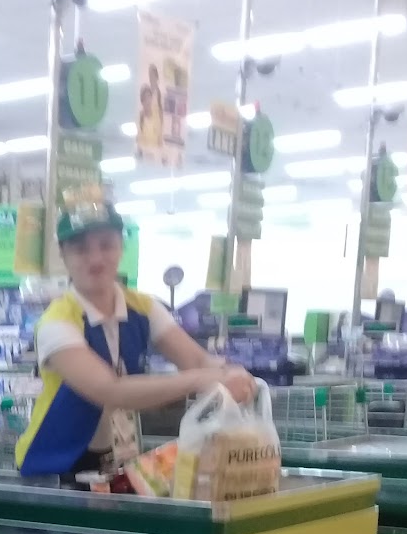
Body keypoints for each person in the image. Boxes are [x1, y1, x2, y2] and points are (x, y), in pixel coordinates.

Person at [15, 200, 254, 480]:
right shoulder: (57, 322)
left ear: (121, 247)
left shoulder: (143, 307)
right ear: (63, 255)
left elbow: (197, 360)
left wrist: (231, 373)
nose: (95, 258)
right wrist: (203, 379)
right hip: (50, 468)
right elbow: (110, 390)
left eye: (106, 245)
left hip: (113, 460)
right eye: (81, 249)